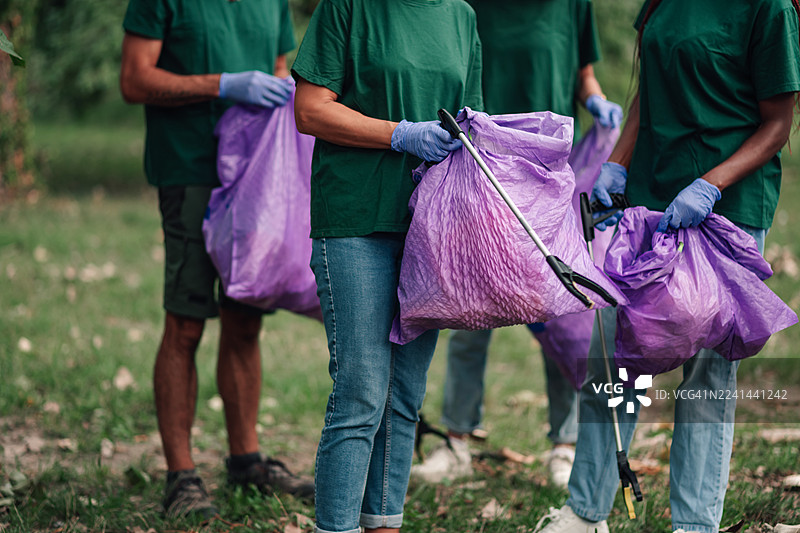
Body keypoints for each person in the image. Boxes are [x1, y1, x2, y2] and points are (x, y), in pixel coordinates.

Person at [535, 0, 800, 531]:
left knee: (706, 376)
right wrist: (618, 163)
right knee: (614, 362)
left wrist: (711, 185)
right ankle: (585, 513)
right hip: (649, 202)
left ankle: (695, 524)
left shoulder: (767, 8)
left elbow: (777, 124)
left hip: (725, 210)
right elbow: (645, 99)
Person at [410, 0, 623, 489]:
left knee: (563, 305)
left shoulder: (573, 5)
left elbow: (582, 71)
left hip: (546, 172)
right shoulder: (466, 6)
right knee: (470, 304)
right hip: (480, 169)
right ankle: (457, 441)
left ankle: (564, 445)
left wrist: (594, 99)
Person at [290, 0, 483, 531]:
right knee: (361, 390)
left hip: (428, 229)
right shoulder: (350, 8)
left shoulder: (460, 16)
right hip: (355, 217)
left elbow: (471, 125)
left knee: (403, 398)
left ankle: (385, 524)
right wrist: (398, 133)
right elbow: (309, 110)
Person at [119, 0, 314, 519]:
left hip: (252, 174)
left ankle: (246, 460)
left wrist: (274, 86)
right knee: (185, 323)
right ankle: (181, 478)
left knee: (245, 318)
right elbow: (135, 79)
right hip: (188, 167)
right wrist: (222, 83)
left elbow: (279, 64)